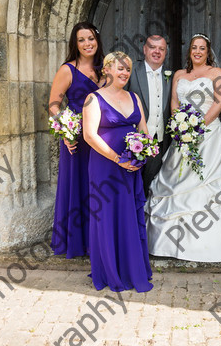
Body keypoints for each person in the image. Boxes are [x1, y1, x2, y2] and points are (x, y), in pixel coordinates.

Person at [146, 34, 221, 262]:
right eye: (194, 48)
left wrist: (199, 127)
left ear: (208, 51)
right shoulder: (180, 75)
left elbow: (220, 102)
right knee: (177, 184)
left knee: (211, 187)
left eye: (202, 48)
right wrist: (180, 126)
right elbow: (174, 101)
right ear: (189, 51)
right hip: (183, 135)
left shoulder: (217, 74)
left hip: (210, 136)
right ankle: (168, 246)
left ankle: (214, 245)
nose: (198, 52)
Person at [82, 52, 153, 292]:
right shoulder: (93, 99)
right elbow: (89, 135)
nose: (124, 73)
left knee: (128, 216)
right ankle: (110, 270)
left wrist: (144, 150)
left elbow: (143, 129)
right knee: (107, 215)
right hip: (105, 166)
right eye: (119, 68)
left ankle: (132, 269)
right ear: (107, 69)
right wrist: (117, 158)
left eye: (127, 69)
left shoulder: (134, 97)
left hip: (130, 166)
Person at [48, 22, 105, 258]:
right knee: (77, 186)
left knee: (97, 188)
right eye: (81, 40)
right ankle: (75, 243)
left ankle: (96, 242)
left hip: (100, 138)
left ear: (97, 40)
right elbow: (53, 105)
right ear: (75, 44)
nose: (87, 44)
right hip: (76, 140)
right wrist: (66, 131)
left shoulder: (104, 70)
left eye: (90, 38)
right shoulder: (67, 70)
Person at [126, 35, 172, 197]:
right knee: (130, 185)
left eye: (161, 49)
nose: (157, 52)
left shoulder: (171, 77)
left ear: (166, 52)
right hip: (131, 142)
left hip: (159, 143)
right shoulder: (131, 72)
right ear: (145, 49)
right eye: (153, 47)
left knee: (151, 186)